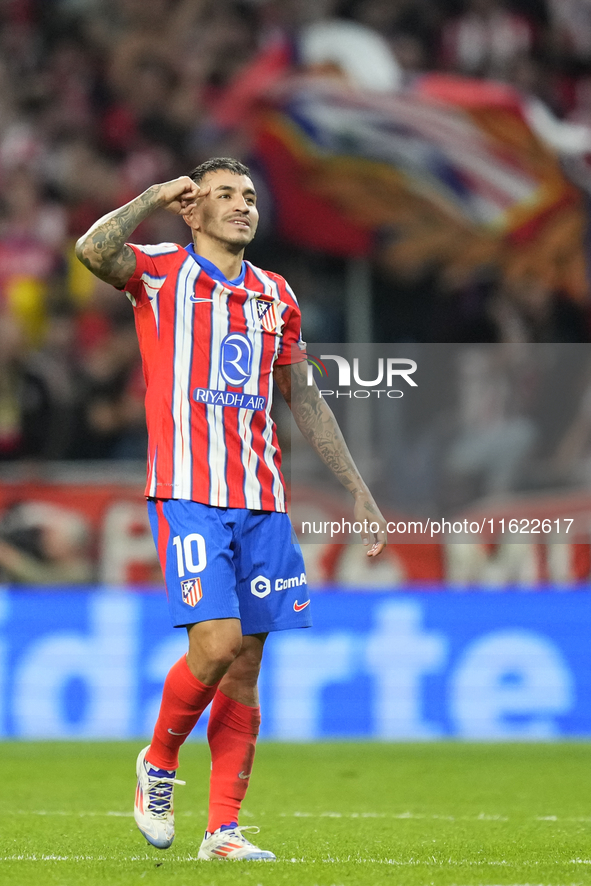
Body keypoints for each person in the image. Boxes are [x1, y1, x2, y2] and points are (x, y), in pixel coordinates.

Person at [75, 157, 387, 861]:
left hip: (263, 502)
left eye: (248, 195)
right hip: (188, 490)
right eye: (224, 195)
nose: (243, 205)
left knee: (245, 665)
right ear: (194, 210)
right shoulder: (158, 273)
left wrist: (357, 490)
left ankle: (222, 830)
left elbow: (302, 398)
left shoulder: (277, 295)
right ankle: (157, 764)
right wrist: (155, 194)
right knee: (213, 646)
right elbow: (92, 249)